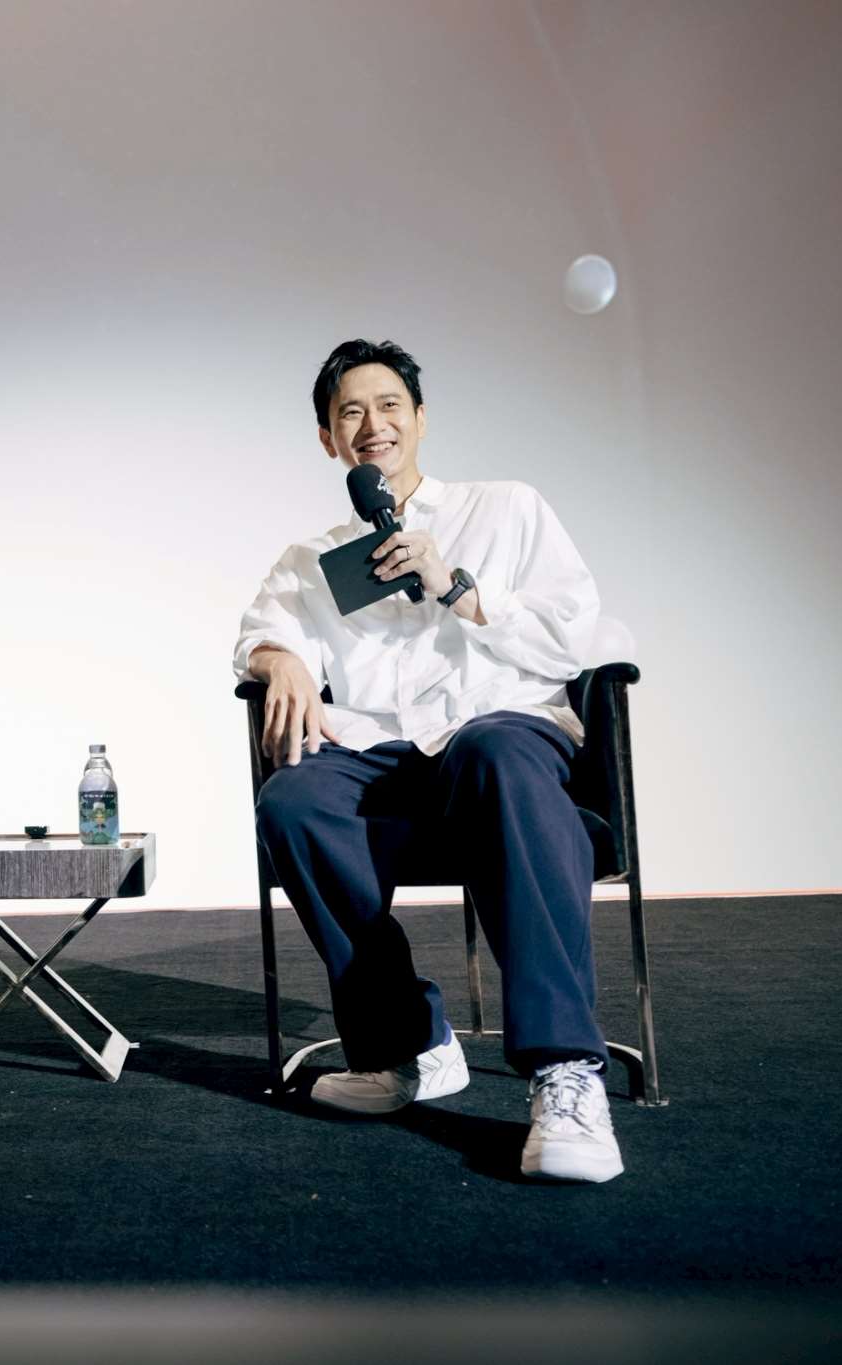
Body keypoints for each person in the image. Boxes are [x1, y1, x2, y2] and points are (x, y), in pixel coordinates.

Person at [235, 339, 622, 1182]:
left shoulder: (508, 508)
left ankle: (566, 1070)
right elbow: (259, 634)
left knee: (493, 747)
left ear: (419, 419)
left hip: (500, 732)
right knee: (293, 801)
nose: (371, 426)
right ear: (328, 439)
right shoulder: (310, 559)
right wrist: (279, 659)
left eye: (388, 407)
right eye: (349, 413)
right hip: (385, 754)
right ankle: (407, 1043)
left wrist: (461, 587)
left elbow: (578, 632)